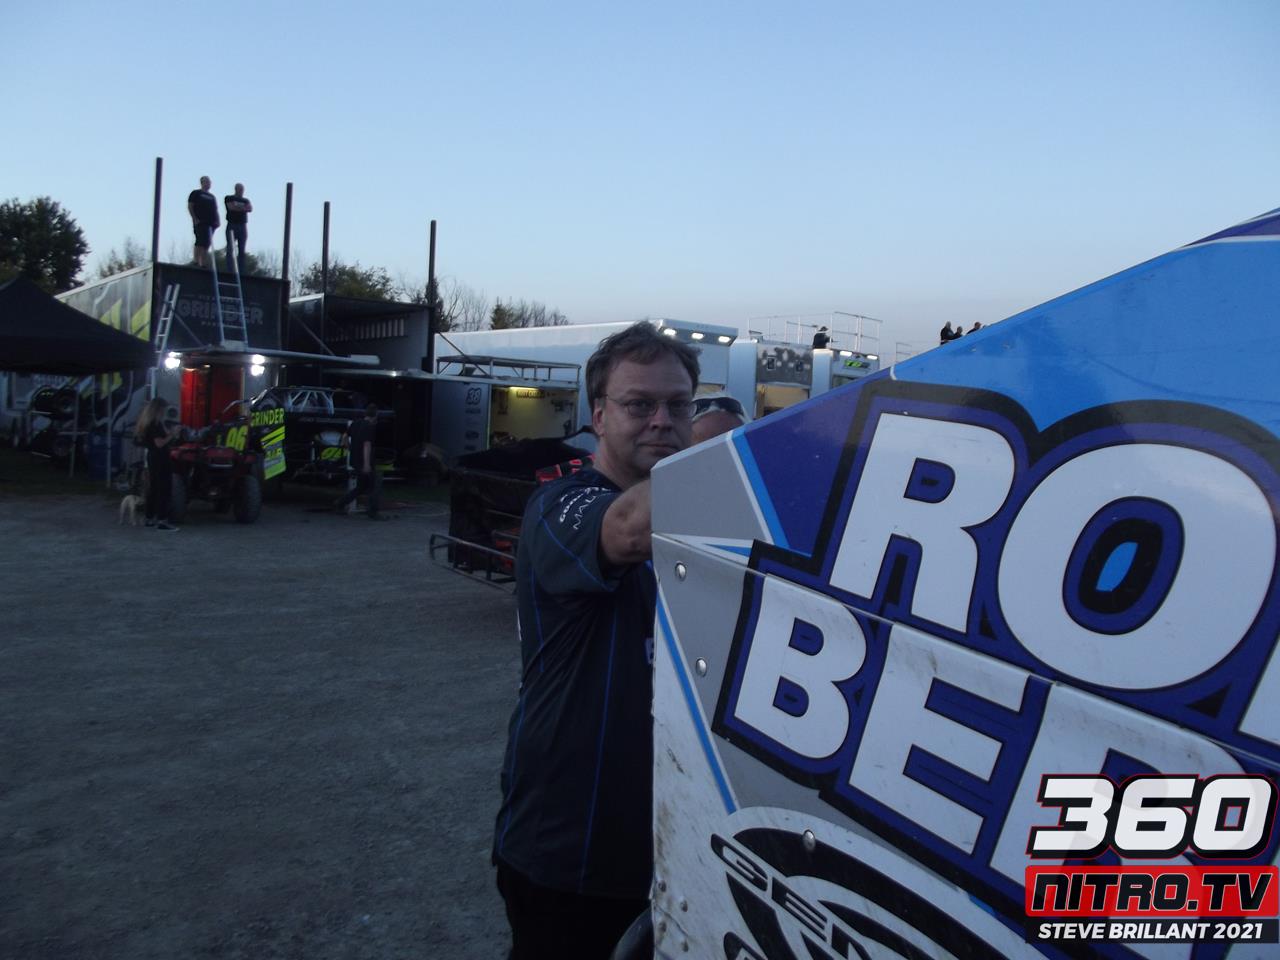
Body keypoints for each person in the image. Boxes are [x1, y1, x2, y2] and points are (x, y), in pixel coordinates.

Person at [493, 321, 700, 959]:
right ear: (599, 417)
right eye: (640, 405)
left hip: (672, 848)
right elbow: (627, 530)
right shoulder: (563, 505)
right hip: (571, 850)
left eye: (679, 406)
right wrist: (744, 458)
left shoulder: (699, 521)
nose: (662, 421)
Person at [134, 397, 180, 531]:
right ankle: (162, 520)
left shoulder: (150, 423)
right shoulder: (155, 424)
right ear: (158, 409)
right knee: (163, 488)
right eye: (163, 409)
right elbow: (159, 443)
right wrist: (172, 434)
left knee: (154, 488)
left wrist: (169, 433)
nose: (164, 412)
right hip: (160, 458)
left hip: (153, 457)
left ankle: (149, 518)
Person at [333, 403, 383, 519]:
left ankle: (340, 503)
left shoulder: (355, 423)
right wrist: (366, 464)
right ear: (375, 415)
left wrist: (349, 447)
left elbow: (344, 437)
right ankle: (373, 511)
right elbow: (367, 445)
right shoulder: (369, 427)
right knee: (374, 485)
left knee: (362, 486)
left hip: (354, 460)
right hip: (364, 461)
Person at [187, 176, 220, 268]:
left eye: (209, 182)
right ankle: (196, 260)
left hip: (211, 223)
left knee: (207, 243)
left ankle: (203, 262)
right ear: (202, 183)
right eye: (207, 182)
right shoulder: (196, 193)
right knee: (199, 241)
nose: (208, 184)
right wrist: (194, 218)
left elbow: (215, 210)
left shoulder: (212, 197)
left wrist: (217, 221)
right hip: (200, 221)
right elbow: (190, 205)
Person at [223, 183, 253, 276]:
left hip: (242, 226)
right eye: (239, 189)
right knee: (230, 248)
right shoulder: (229, 198)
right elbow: (231, 207)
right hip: (232, 225)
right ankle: (230, 270)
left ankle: (241, 271)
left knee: (242, 249)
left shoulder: (245, 200)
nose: (241, 191)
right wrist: (242, 208)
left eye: (242, 189)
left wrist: (238, 207)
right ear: (236, 189)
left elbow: (250, 209)